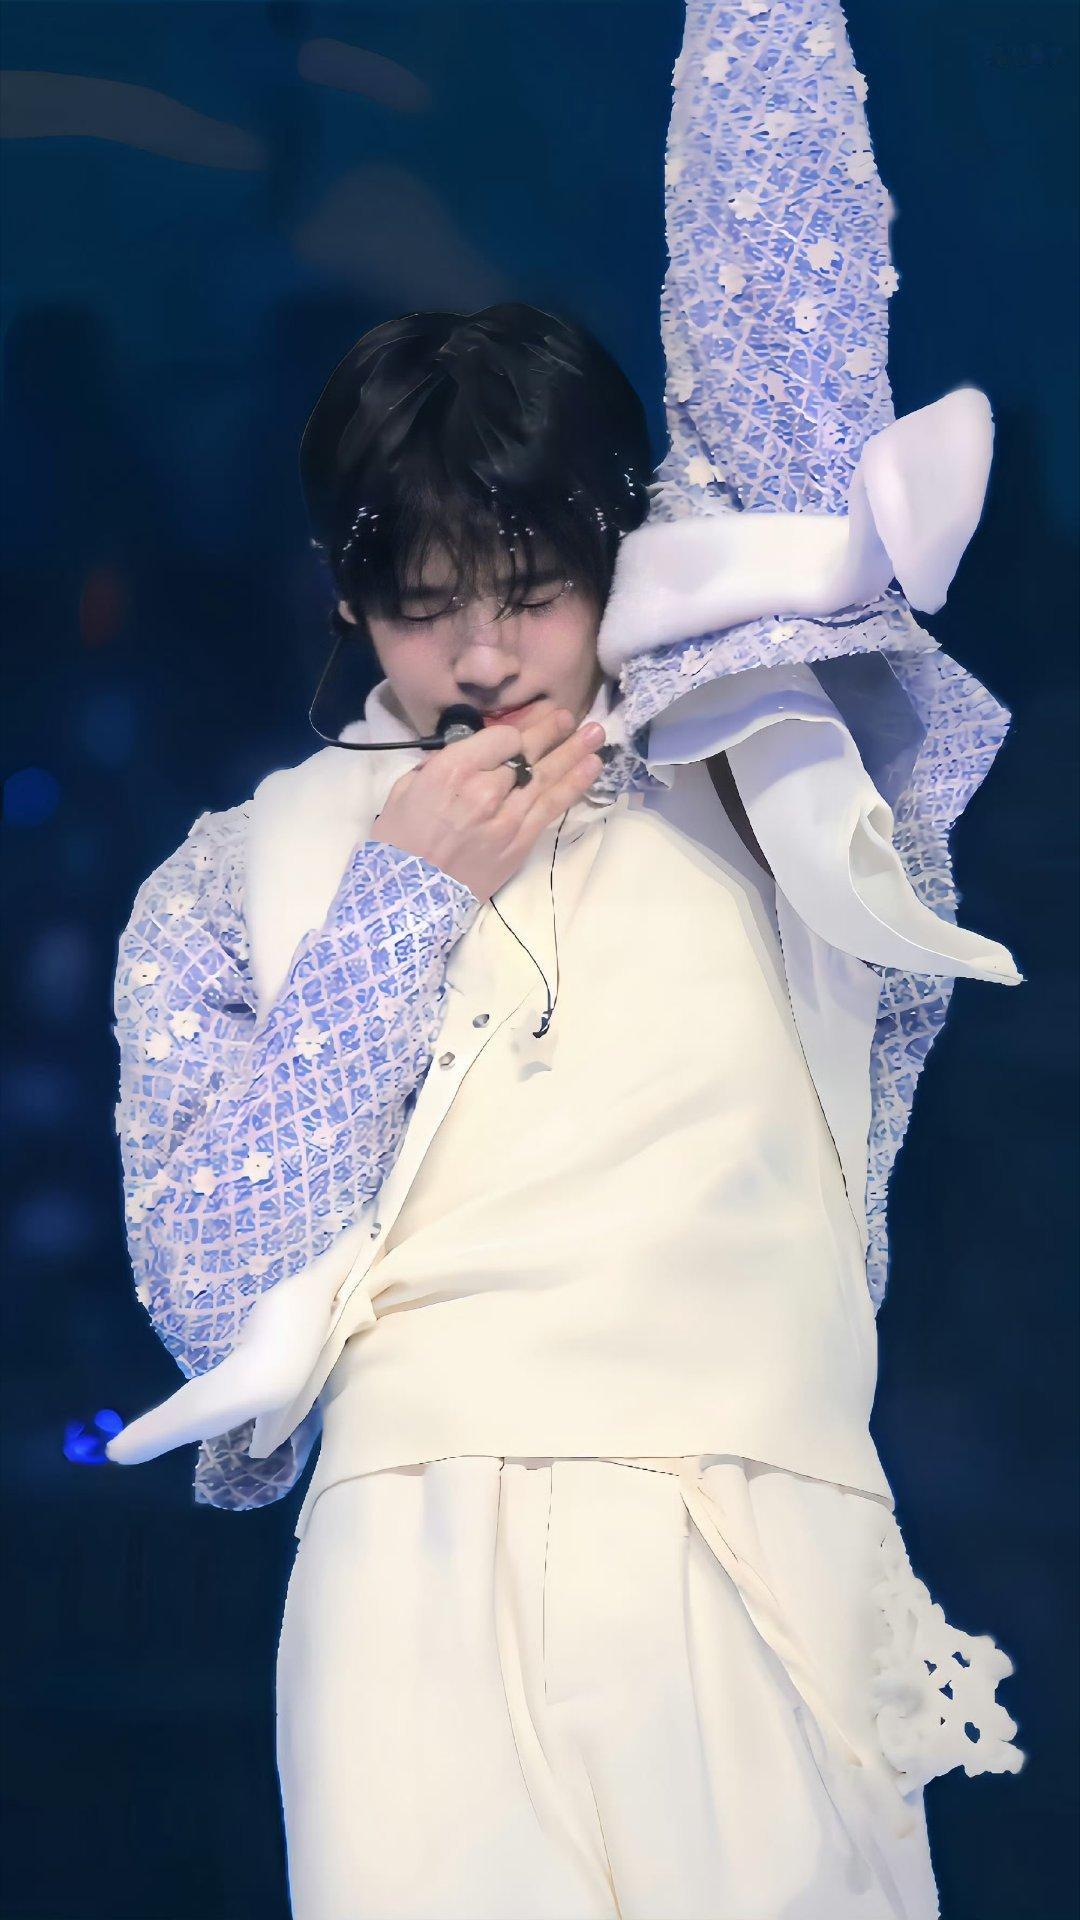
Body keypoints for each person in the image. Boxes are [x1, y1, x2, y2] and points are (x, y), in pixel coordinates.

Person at [107, 4, 1026, 1916]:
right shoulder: (231, 878)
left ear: (621, 557)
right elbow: (208, 1291)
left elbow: (782, 315)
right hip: (412, 1576)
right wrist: (400, 903)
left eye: (532, 593)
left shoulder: (757, 752)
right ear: (348, 599)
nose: (483, 655)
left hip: (755, 1527)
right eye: (422, 605)